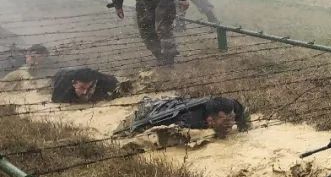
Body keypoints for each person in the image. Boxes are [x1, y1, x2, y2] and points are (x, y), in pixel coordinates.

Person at [121, 95, 250, 138]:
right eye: (226, 120)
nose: (231, 123)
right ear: (211, 121)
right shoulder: (191, 121)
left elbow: (242, 112)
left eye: (231, 118)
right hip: (154, 109)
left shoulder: (232, 107)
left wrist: (244, 128)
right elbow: (169, 132)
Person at [50, 67, 124, 103]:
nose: (85, 92)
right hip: (61, 73)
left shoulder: (104, 80)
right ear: (74, 84)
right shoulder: (63, 83)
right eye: (82, 88)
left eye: (89, 88)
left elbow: (119, 88)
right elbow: (55, 100)